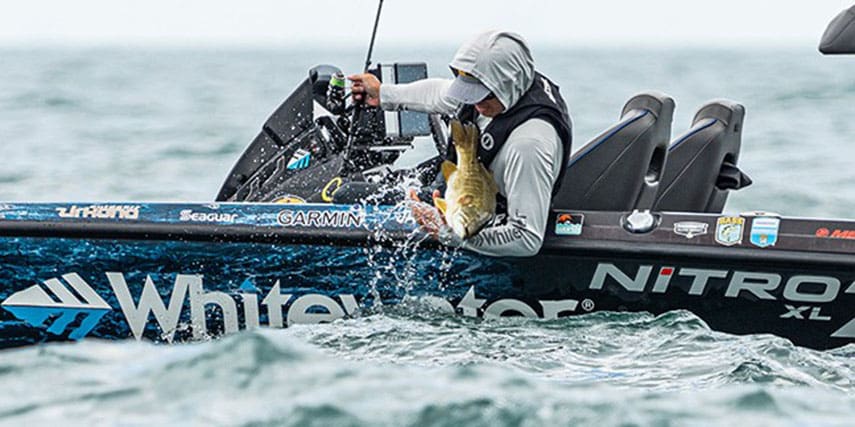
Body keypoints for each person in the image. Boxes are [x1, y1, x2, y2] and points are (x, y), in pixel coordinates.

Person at [349, 30, 572, 257]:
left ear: (508, 84)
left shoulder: (528, 146)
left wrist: (447, 234)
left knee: (348, 195)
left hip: (481, 212)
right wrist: (382, 93)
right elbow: (439, 94)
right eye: (469, 93)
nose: (475, 104)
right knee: (360, 186)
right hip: (463, 180)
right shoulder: (504, 87)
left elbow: (527, 238)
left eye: (482, 96)